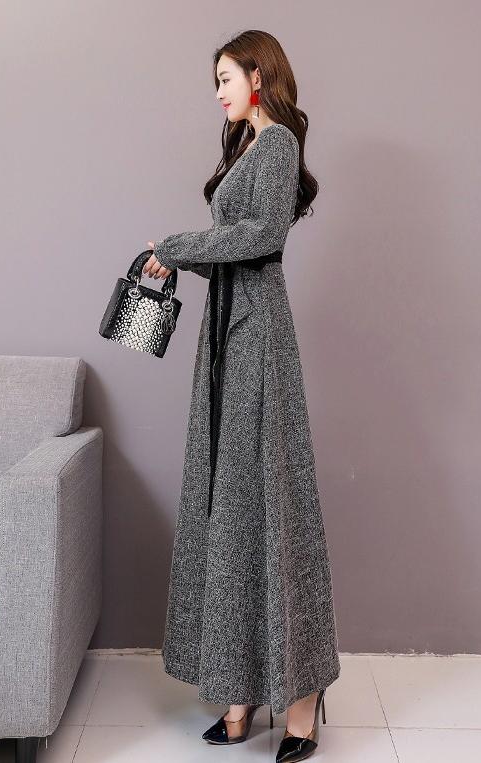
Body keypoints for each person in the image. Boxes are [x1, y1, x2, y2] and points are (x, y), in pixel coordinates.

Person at [143, 30, 340, 763]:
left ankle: (300, 695)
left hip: (257, 337)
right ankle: (241, 688)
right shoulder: (246, 148)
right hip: (227, 333)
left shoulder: (278, 142)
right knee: (233, 505)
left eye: (224, 78)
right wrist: (178, 262)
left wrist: (177, 244)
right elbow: (234, 245)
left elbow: (262, 237)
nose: (218, 92)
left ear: (258, 75)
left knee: (268, 502)